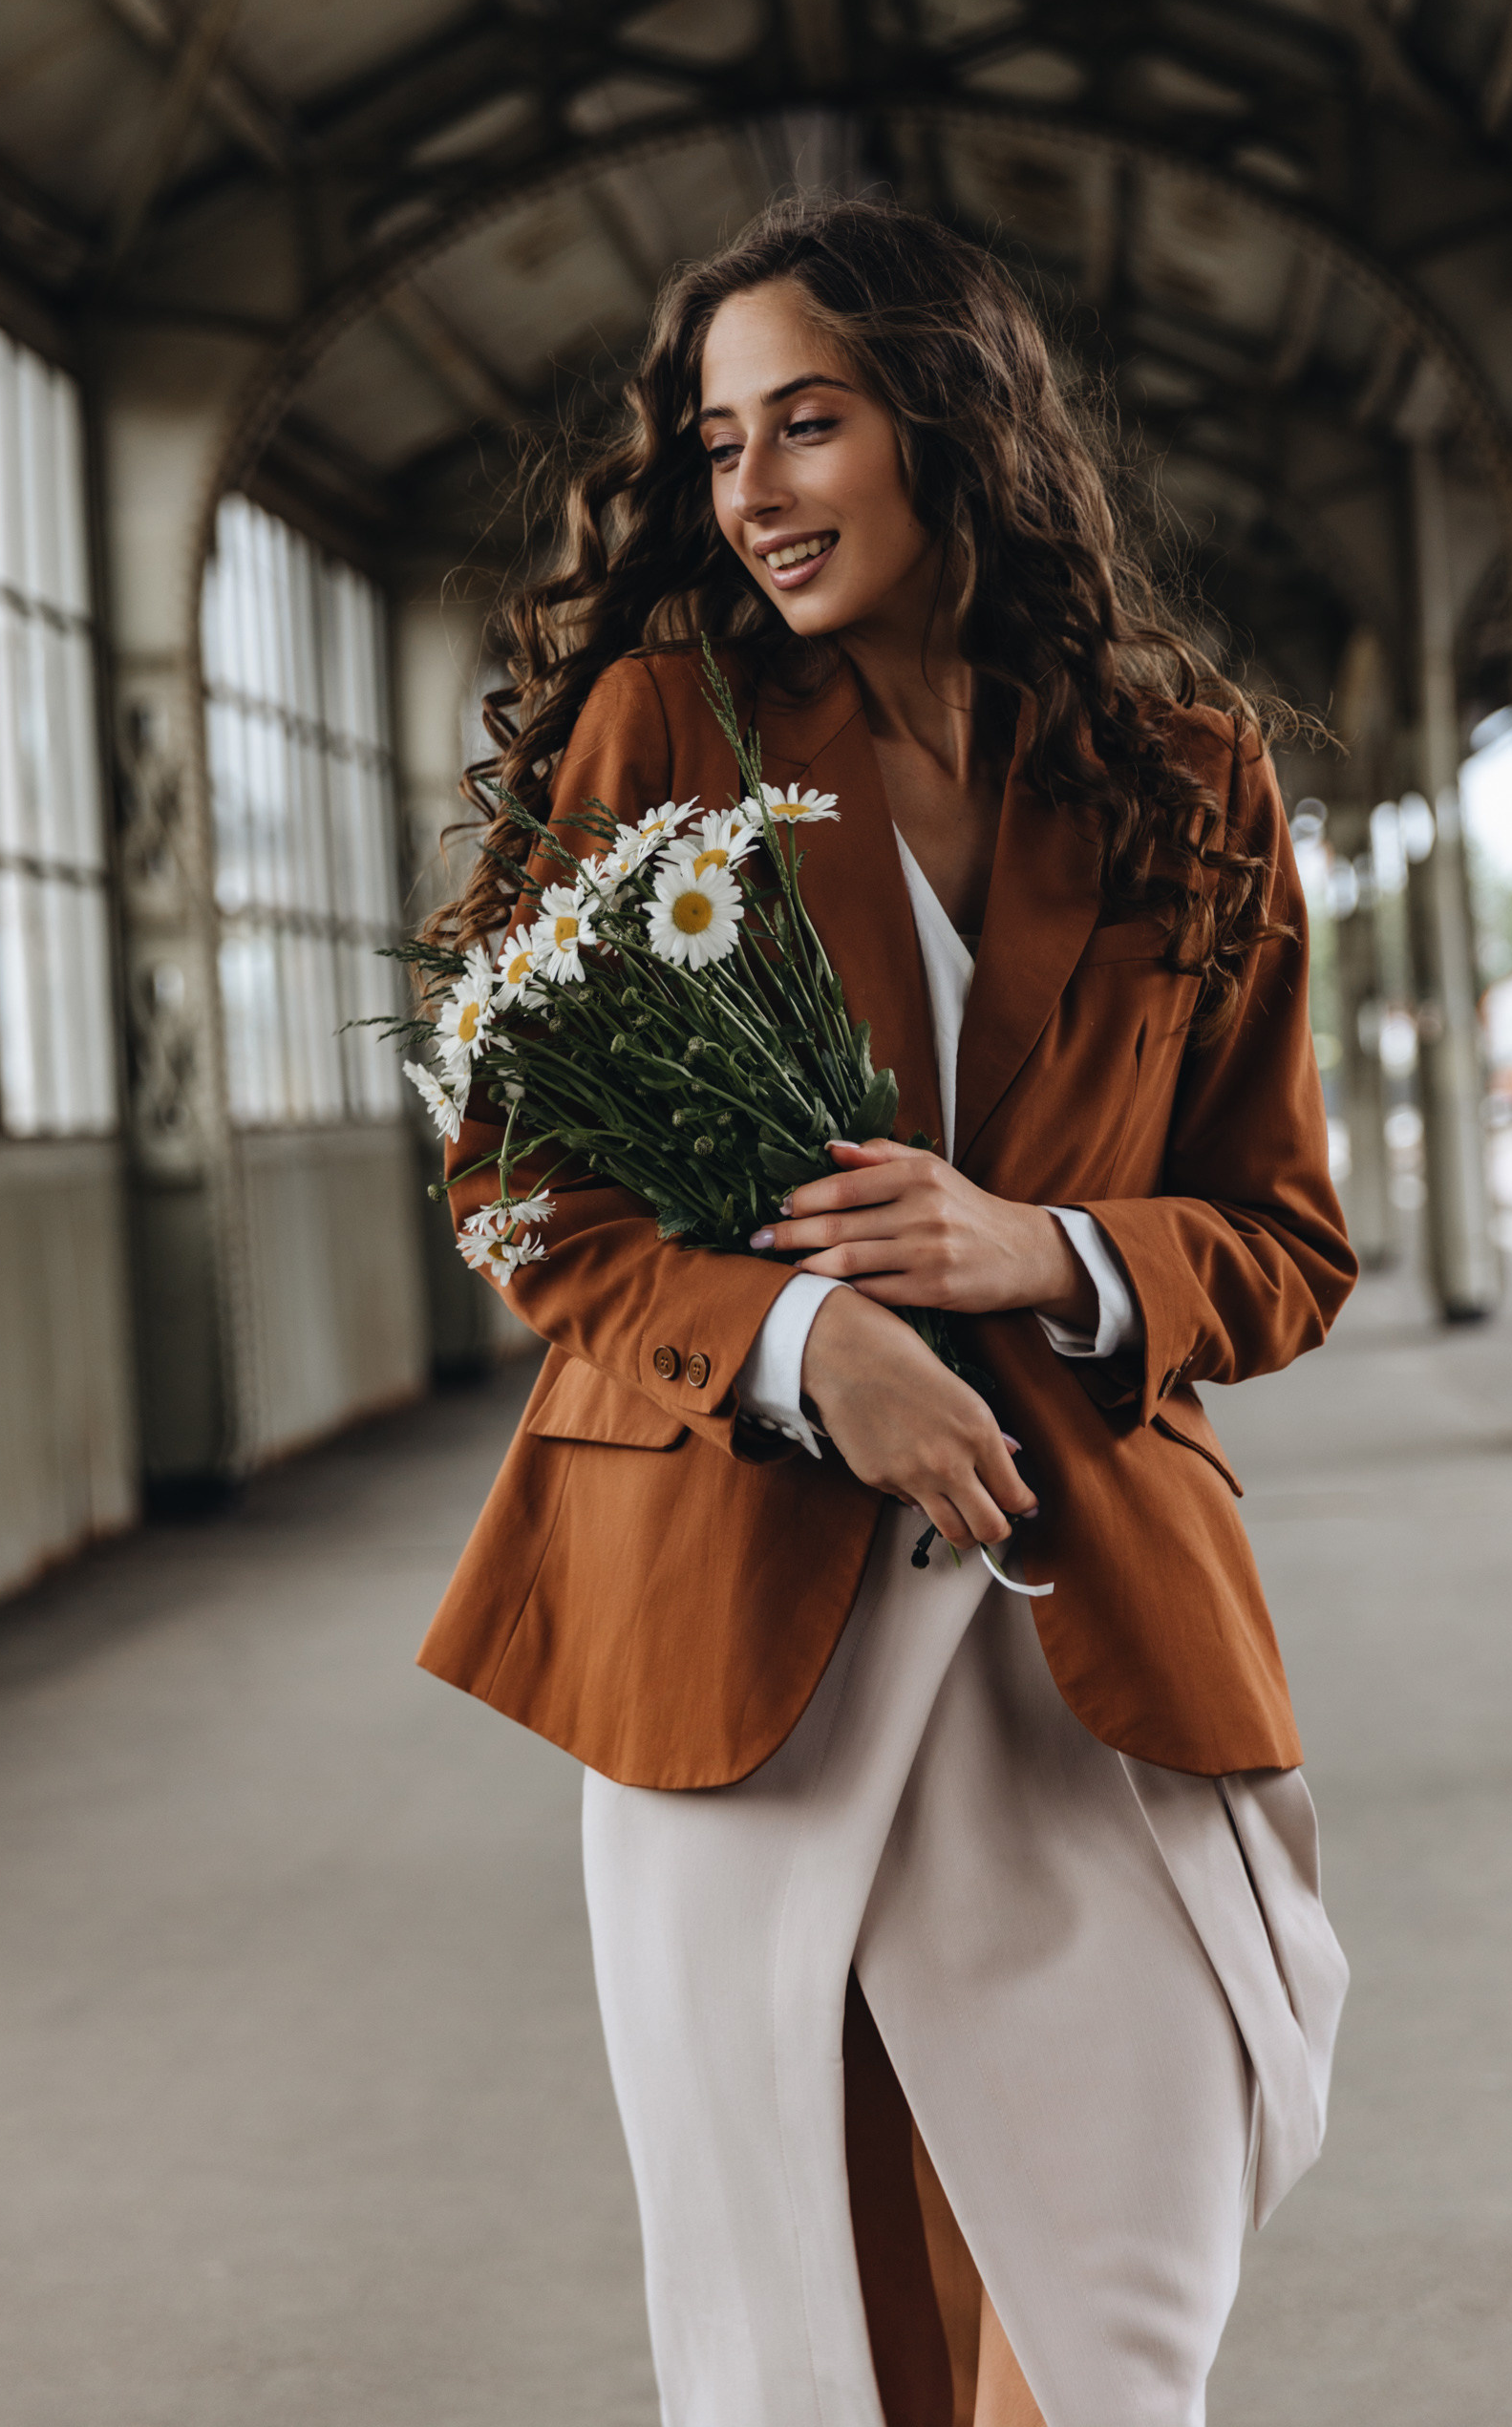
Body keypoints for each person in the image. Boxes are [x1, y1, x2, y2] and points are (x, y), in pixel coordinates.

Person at [417, 196, 1357, 2427]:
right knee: (807, 2330)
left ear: (953, 426)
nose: (748, 488)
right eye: (719, 439)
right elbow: (521, 1188)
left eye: (806, 423)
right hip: (734, 1622)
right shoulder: (665, 727)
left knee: (1133, 2289)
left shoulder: (1188, 785)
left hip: (1077, 1597)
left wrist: (1043, 1252)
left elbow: (1289, 1238)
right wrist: (795, 1342)